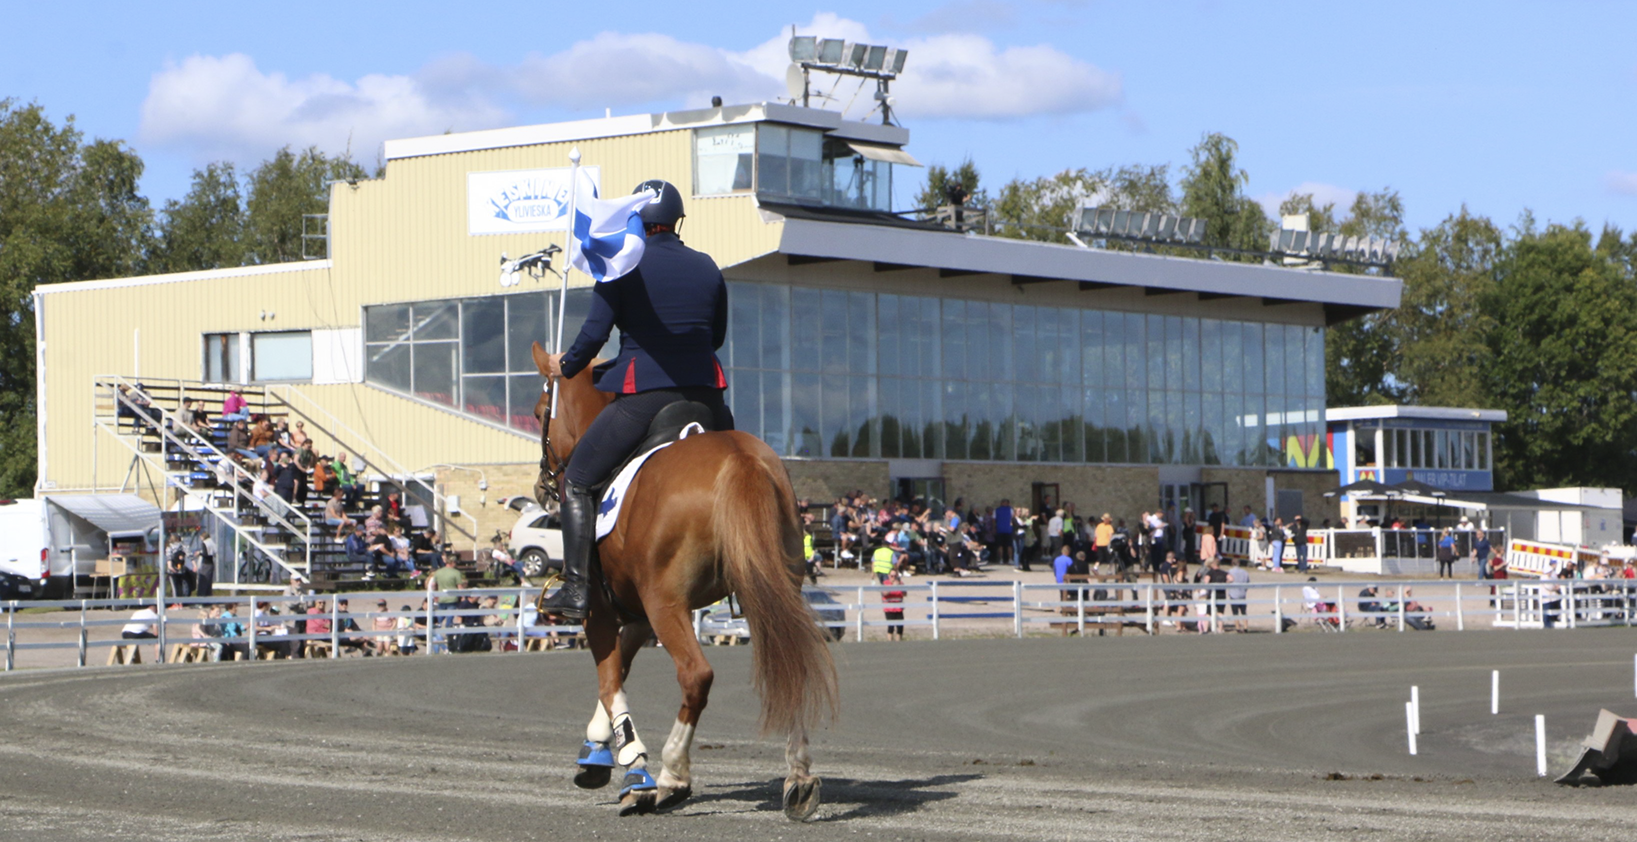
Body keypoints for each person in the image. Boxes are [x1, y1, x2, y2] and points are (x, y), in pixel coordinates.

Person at [538, 180, 733, 620]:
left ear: (634, 221)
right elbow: (716, 337)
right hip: (708, 399)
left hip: (645, 398)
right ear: (677, 221)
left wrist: (563, 367)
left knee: (579, 479)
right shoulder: (707, 266)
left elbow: (593, 335)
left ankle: (575, 587)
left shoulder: (621, 265)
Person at [1225, 559, 1251, 632]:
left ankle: (1238, 627)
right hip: (1242, 594)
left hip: (1233, 594)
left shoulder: (1230, 572)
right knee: (1244, 612)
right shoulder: (1245, 572)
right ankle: (1245, 627)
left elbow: (1227, 582)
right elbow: (1248, 583)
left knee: (1235, 612)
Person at [881, 571, 906, 642]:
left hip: (899, 608)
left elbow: (905, 594)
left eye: (895, 576)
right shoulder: (885, 583)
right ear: (888, 576)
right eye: (892, 576)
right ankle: (890, 642)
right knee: (891, 626)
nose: (893, 578)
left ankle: (898, 642)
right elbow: (884, 593)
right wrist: (892, 587)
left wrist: (900, 587)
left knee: (900, 627)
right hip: (889, 609)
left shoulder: (900, 583)